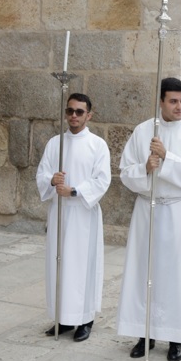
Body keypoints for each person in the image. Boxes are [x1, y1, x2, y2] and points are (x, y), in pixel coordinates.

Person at [117, 77, 181, 361]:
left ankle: (175, 338)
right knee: (144, 272)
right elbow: (124, 172)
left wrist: (168, 158)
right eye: (173, 101)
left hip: (178, 213)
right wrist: (146, 168)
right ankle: (144, 334)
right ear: (160, 101)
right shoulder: (143, 131)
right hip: (148, 210)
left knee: (175, 275)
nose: (179, 106)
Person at [36, 93, 111, 342]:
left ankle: (85, 319)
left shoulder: (97, 145)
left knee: (82, 266)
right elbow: (42, 173)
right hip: (60, 213)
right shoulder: (54, 143)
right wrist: (51, 180)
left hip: (83, 213)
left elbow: (102, 180)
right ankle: (63, 318)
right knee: (59, 263)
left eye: (80, 112)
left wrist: (75, 190)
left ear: (89, 115)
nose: (74, 116)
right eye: (70, 111)